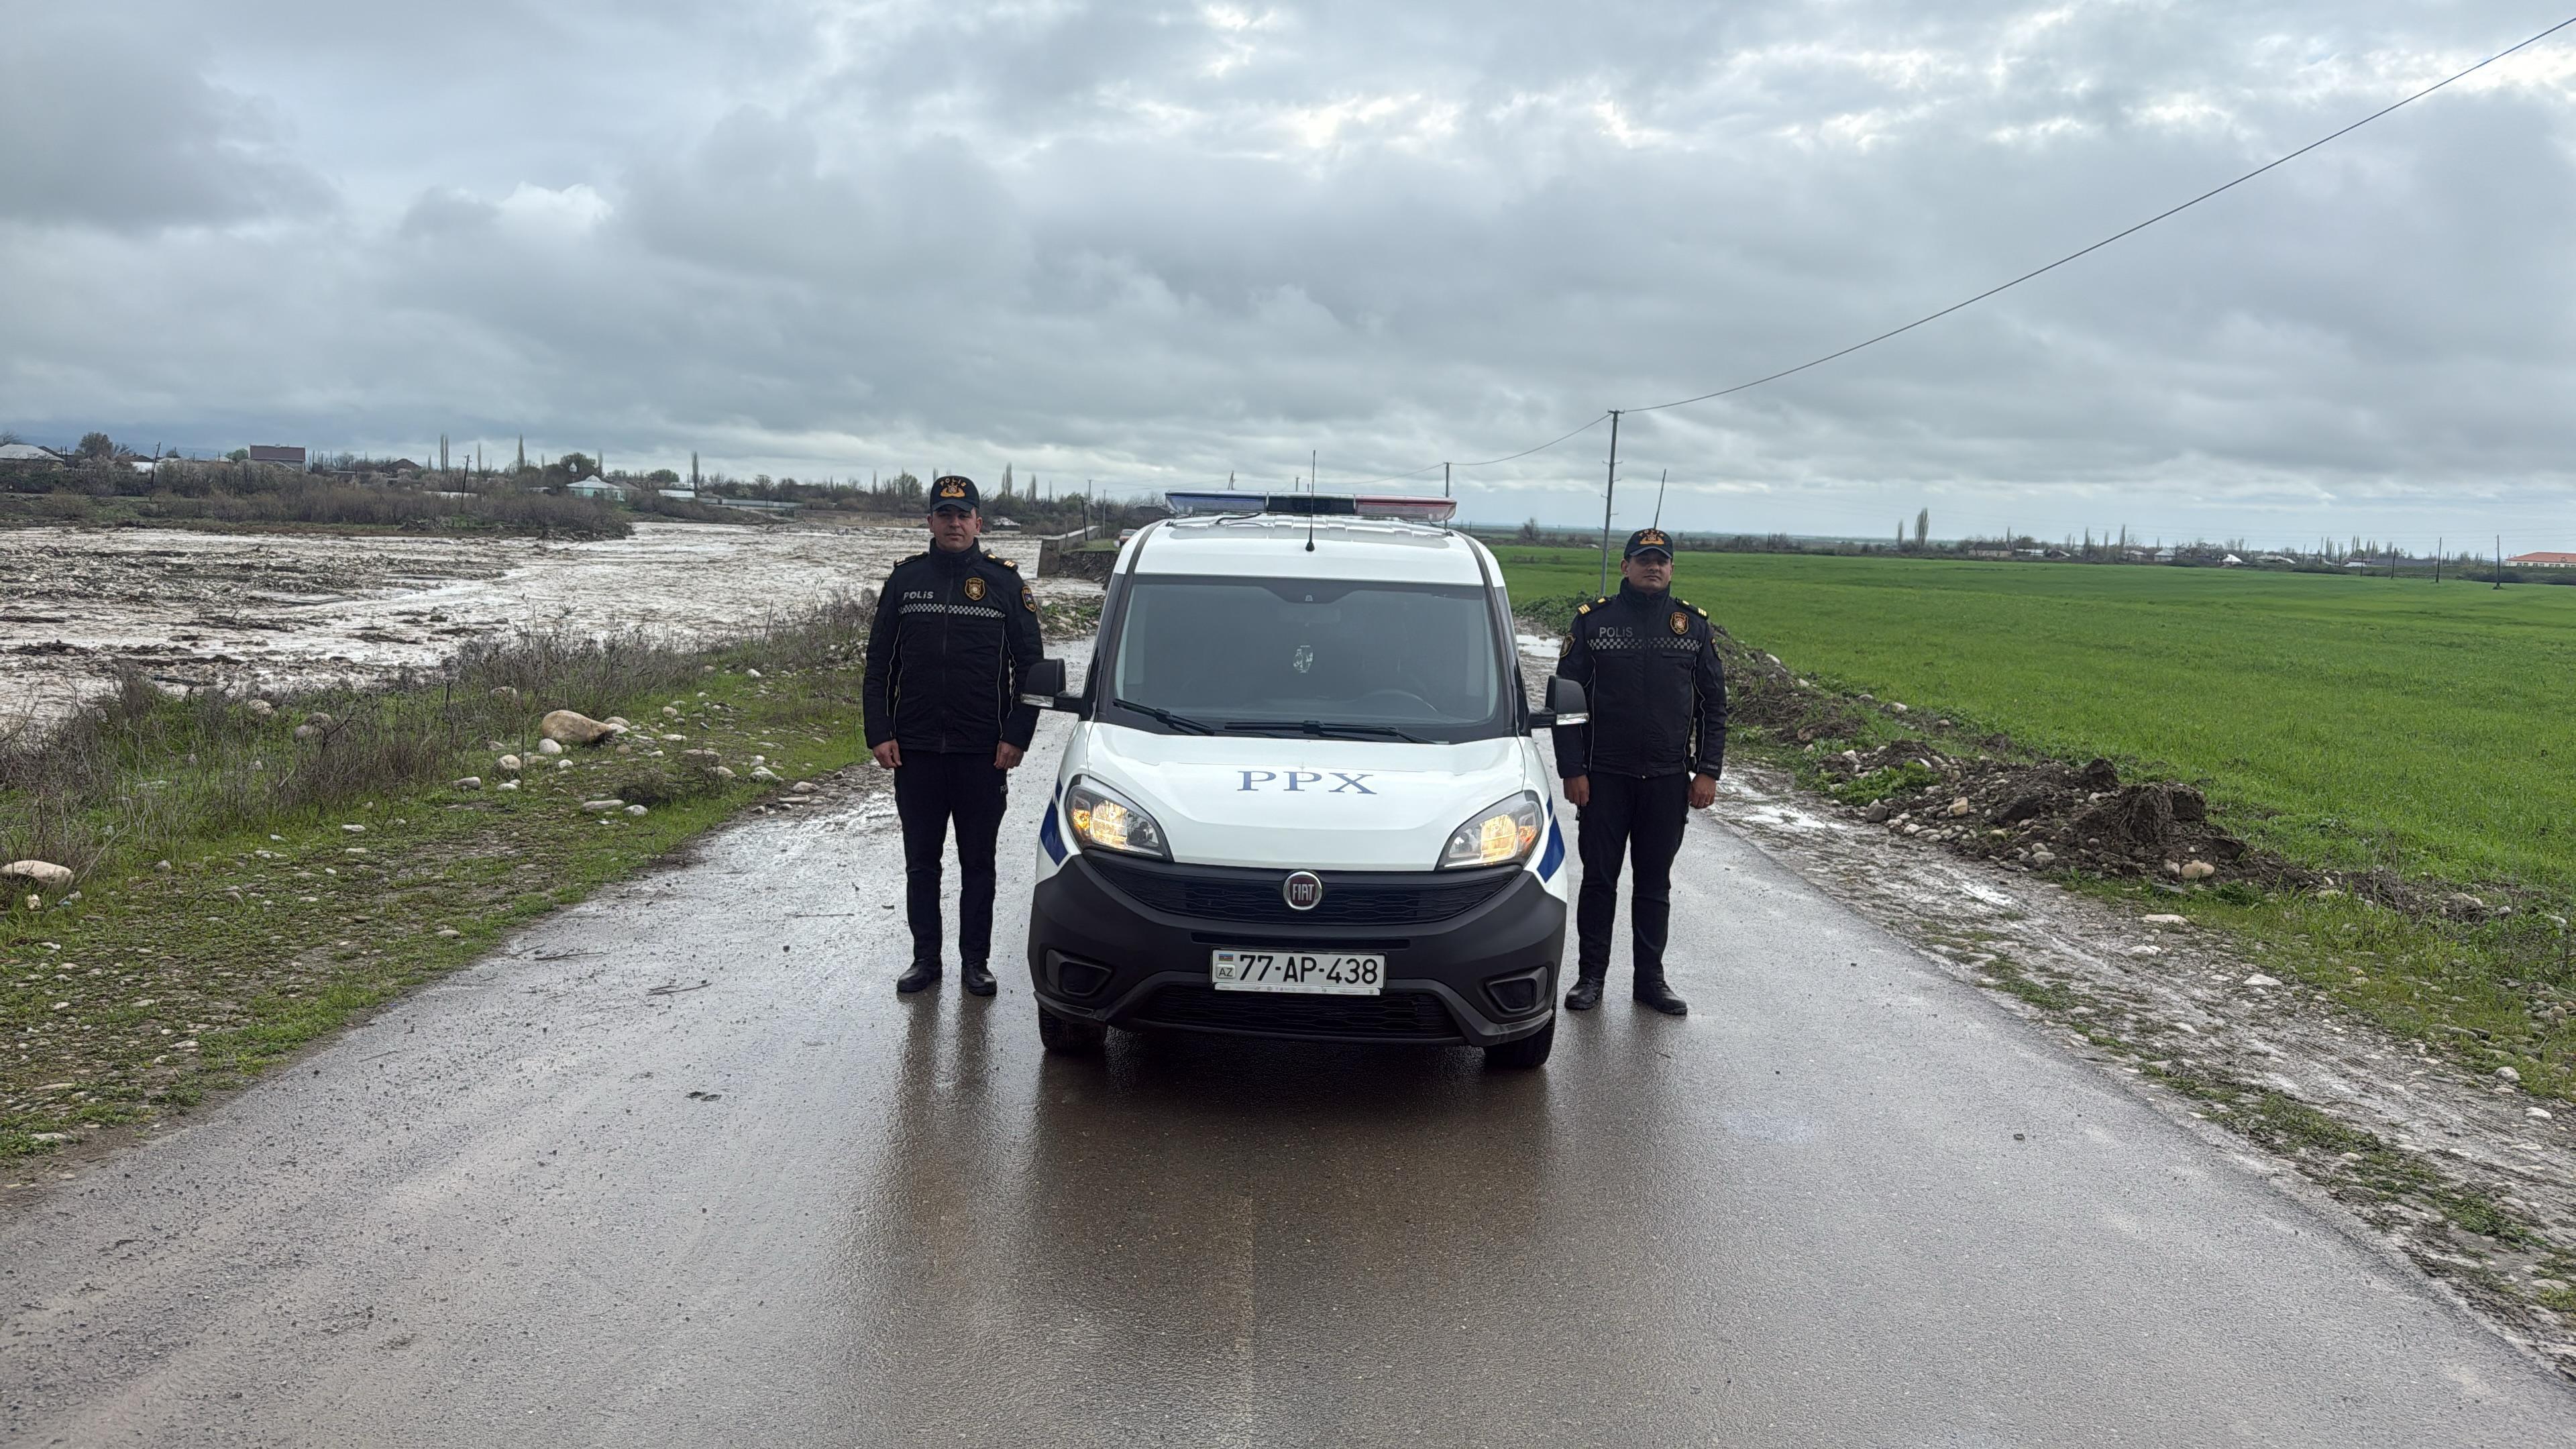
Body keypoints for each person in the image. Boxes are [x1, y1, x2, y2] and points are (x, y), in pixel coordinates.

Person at [863, 475, 1047, 997]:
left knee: (978, 865)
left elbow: (1031, 669)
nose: (954, 523)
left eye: (963, 515)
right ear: (930, 521)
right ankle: (926, 960)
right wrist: (879, 731)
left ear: (978, 523)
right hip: (916, 750)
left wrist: (1017, 735)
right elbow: (879, 665)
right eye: (945, 514)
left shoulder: (1004, 583)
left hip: (982, 753)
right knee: (921, 864)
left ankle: (975, 962)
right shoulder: (905, 581)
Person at [1550, 527, 1727, 1016]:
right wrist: (1571, 768)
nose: (1654, 566)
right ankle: (1591, 978)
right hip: (1604, 777)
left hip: (1667, 779)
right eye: (1644, 558)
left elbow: (1714, 704)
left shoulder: (1693, 627)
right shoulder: (1594, 622)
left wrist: (1708, 770)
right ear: (1625, 566)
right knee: (1599, 881)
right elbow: (1567, 700)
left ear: (1671, 569)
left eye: (1661, 560)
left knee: (1654, 884)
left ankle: (1650, 981)